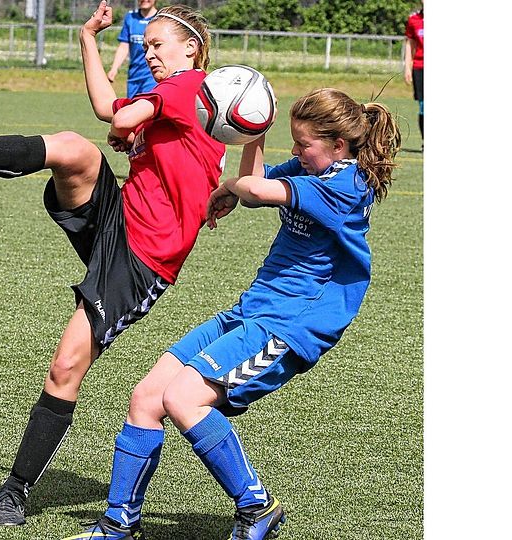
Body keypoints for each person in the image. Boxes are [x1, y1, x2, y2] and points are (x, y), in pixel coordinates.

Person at [0, 1, 223, 528]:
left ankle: (16, 489)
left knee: (66, 366)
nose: (150, 54)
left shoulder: (190, 87)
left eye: (157, 45)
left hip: (144, 261)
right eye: (145, 46)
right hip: (121, 219)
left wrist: (131, 129)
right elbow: (109, 110)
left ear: (191, 48)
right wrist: (86, 37)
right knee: (76, 149)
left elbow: (120, 118)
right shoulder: (176, 97)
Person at [62, 87, 400, 540]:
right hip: (252, 310)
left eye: (304, 145)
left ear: (339, 146)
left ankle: (256, 505)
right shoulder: (313, 168)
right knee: (146, 397)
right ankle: (119, 522)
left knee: (182, 399)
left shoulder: (344, 185)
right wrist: (251, 143)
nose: (297, 153)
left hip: (288, 326)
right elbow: (259, 179)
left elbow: (256, 188)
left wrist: (236, 181)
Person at [106, 0, 158, 98]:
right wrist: (114, 69)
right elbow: (124, 46)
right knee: (132, 107)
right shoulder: (130, 18)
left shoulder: (160, 19)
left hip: (151, 76)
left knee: (146, 108)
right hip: (134, 75)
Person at [403, 0, 423, 146]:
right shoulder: (414, 20)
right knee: (424, 106)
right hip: (420, 67)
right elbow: (410, 45)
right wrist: (407, 67)